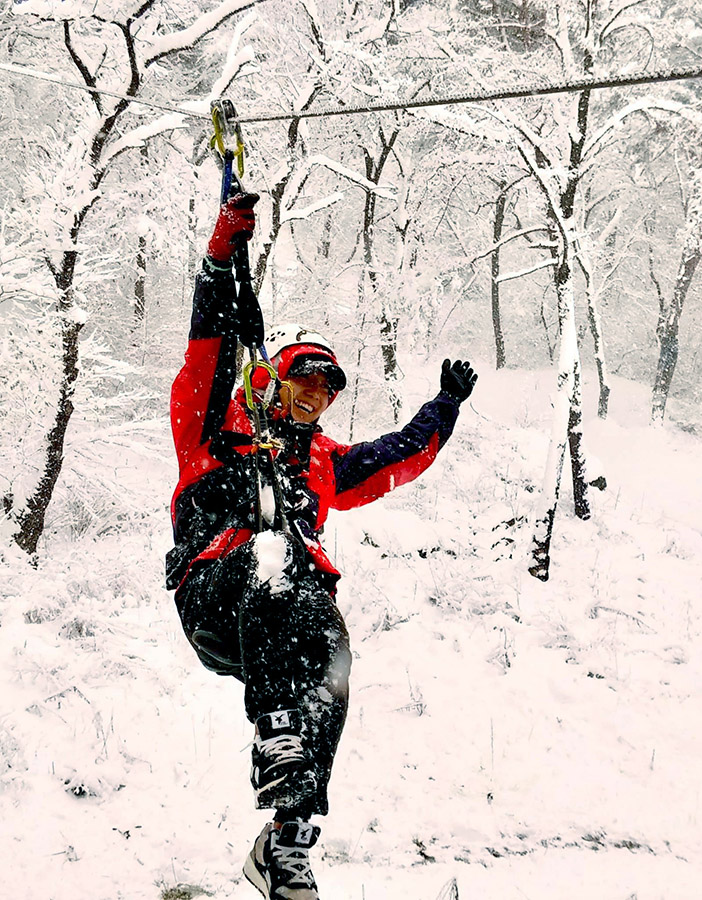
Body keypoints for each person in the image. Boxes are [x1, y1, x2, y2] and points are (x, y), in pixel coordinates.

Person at [166, 193, 477, 900]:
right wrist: (223, 249)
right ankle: (276, 735)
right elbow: (210, 344)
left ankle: (287, 842)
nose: (310, 404)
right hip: (218, 598)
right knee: (273, 559)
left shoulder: (323, 465)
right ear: (271, 380)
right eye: (300, 387)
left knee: (331, 653)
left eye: (322, 398)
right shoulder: (213, 423)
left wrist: (443, 408)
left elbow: (397, 455)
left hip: (285, 618)